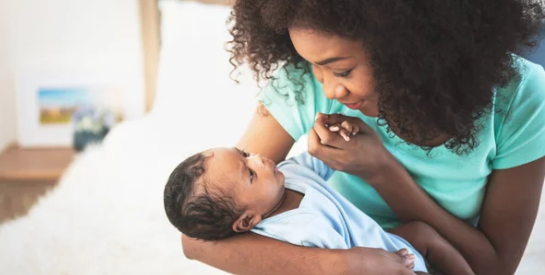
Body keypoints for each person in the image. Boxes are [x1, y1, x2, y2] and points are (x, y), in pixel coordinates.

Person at [182, 0, 545, 274]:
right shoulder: (305, 81)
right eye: (313, 66)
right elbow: (200, 235)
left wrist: (381, 172)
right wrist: (341, 265)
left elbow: (494, 268)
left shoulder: (521, 99)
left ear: (410, 49)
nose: (329, 88)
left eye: (342, 69)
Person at [164, 143, 477, 274]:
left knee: (423, 233)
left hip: (393, 244)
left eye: (245, 154)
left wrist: (329, 135)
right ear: (247, 220)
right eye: (249, 173)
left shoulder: (288, 175)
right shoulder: (298, 233)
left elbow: (319, 158)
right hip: (390, 266)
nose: (258, 159)